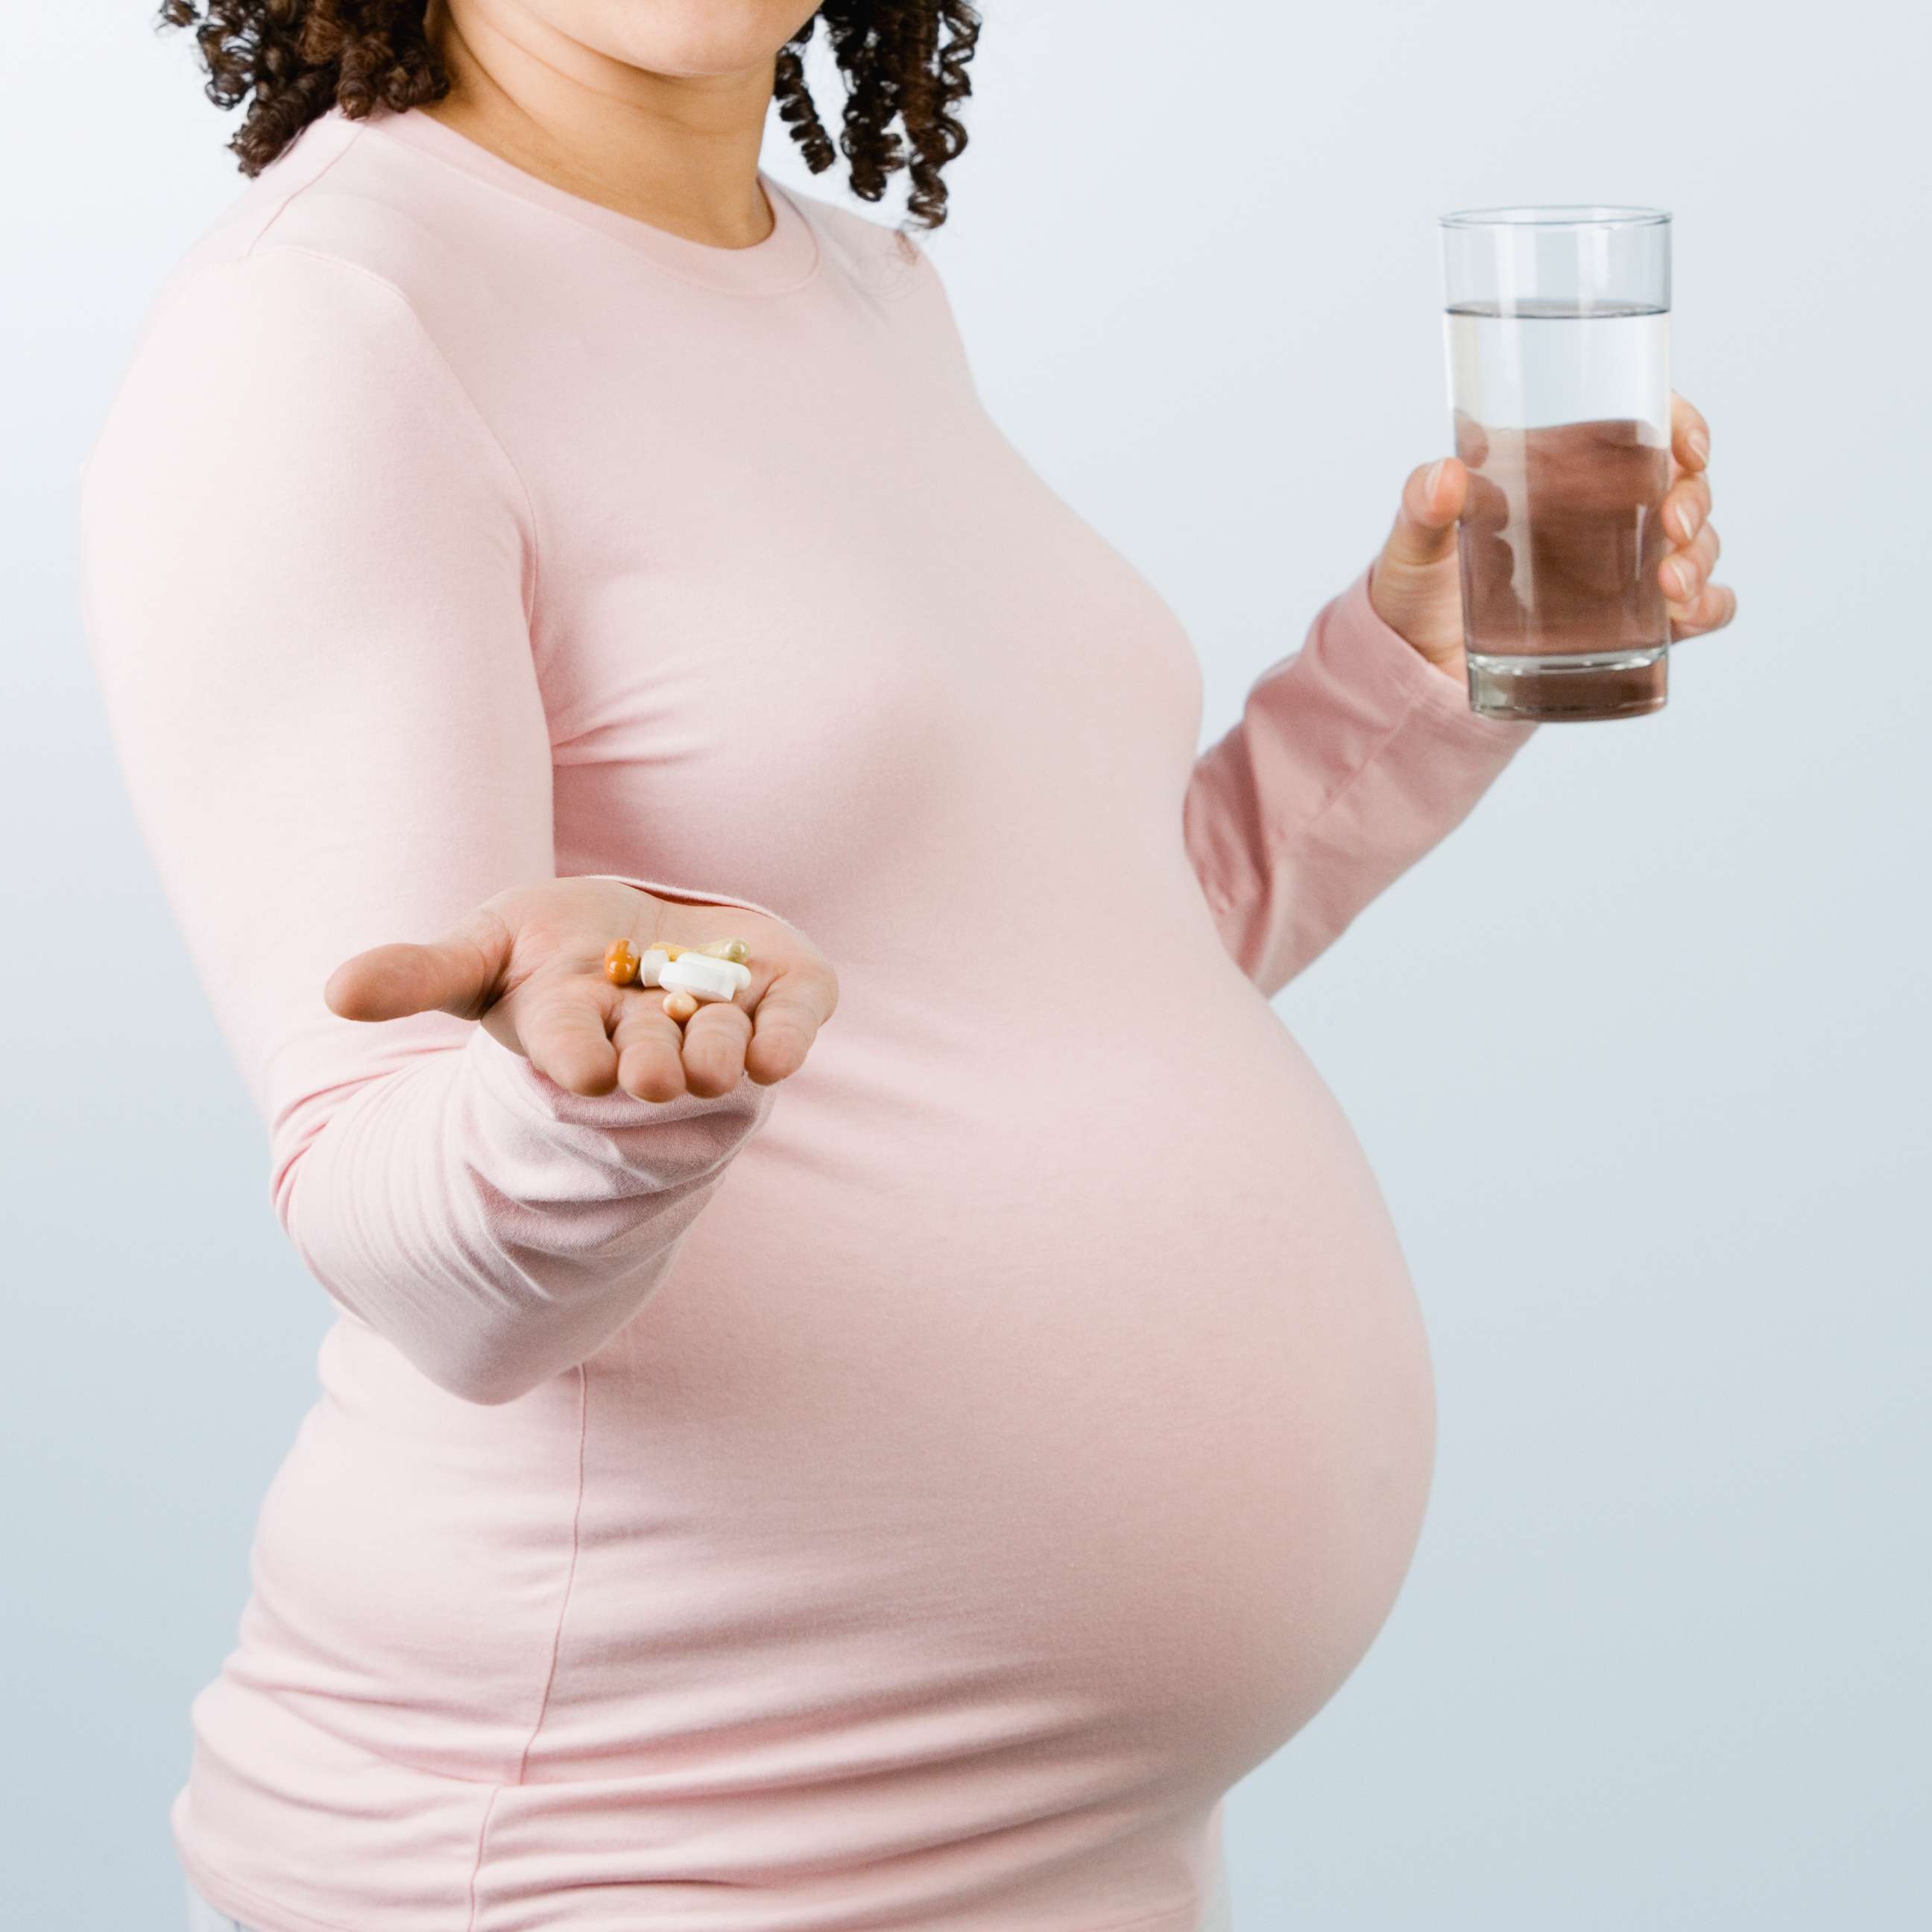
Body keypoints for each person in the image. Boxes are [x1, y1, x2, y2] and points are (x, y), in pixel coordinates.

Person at [79, 4, 1734, 1929]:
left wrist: (1412, 666)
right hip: (630, 1856)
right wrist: (600, 1091)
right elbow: (393, 1220)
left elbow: (1079, 962)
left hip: (1080, 1864)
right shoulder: (332, 326)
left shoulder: (865, 288)